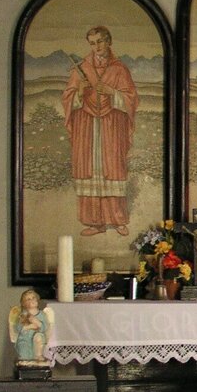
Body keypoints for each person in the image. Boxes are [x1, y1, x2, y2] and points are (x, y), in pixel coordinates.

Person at [62, 25, 139, 237]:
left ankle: (117, 219)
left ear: (108, 42)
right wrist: (79, 91)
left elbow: (132, 98)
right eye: (92, 43)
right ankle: (94, 222)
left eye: (100, 42)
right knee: (90, 168)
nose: (96, 47)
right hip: (87, 125)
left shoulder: (119, 69)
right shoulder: (82, 68)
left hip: (111, 125)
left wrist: (112, 92)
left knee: (112, 167)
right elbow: (68, 97)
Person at [9, 289, 50, 363]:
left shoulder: (42, 315)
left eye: (33, 298)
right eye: (28, 299)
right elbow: (18, 328)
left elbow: (45, 327)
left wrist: (37, 322)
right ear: (24, 304)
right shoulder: (23, 315)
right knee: (24, 353)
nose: (32, 300)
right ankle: (25, 361)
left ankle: (38, 356)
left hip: (37, 339)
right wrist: (30, 326)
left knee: (39, 338)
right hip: (24, 339)